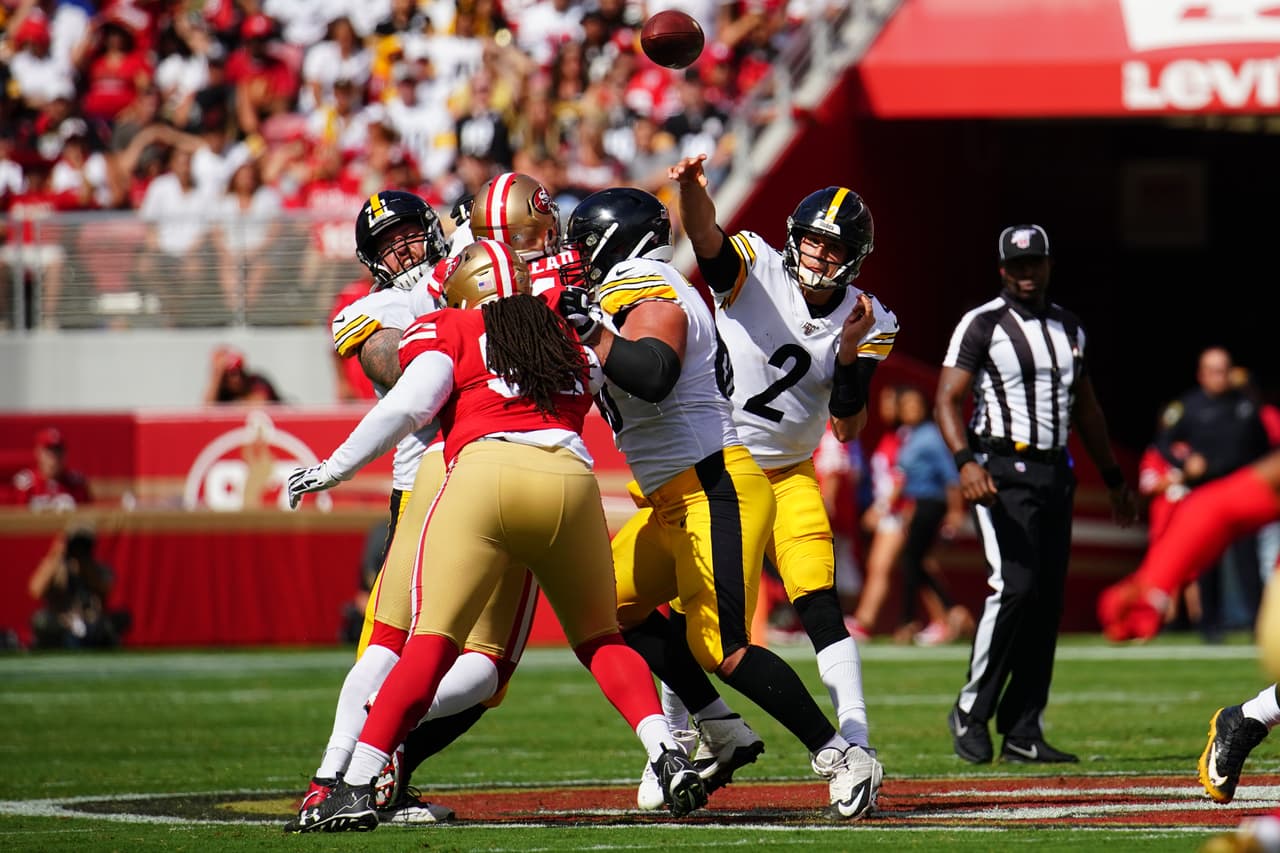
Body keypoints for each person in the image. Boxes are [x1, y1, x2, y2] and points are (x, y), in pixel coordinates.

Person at [286, 239, 708, 832]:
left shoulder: (450, 326)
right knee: (602, 639)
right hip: (570, 480)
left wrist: (333, 468)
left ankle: (354, 783)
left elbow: (406, 408)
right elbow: (600, 381)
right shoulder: (564, 336)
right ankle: (664, 751)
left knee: (428, 642)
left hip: (482, 476)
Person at [556, 186, 878, 819]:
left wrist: (589, 326)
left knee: (722, 645)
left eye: (585, 242)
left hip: (717, 484)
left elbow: (652, 371)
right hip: (676, 495)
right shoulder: (617, 294)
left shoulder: (644, 286)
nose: (577, 256)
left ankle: (843, 753)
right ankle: (720, 728)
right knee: (611, 607)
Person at [661, 157, 893, 811]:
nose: (819, 253)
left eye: (834, 245)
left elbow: (847, 425)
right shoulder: (755, 265)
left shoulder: (871, 316)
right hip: (720, 464)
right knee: (690, 607)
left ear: (854, 256)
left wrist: (847, 354)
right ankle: (678, 740)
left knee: (818, 602)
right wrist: (687, 189)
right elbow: (706, 237)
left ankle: (856, 743)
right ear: (795, 236)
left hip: (790, 472)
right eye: (814, 239)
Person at [941, 224, 1138, 765]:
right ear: (1003, 269)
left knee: (1046, 601)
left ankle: (1024, 727)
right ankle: (970, 710)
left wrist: (1115, 478)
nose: (1027, 274)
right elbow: (946, 399)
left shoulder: (1070, 327)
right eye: (1017, 266)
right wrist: (966, 463)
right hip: (1001, 468)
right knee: (1014, 587)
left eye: (1036, 264)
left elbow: (1088, 409)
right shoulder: (982, 324)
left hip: (1056, 472)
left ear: (1049, 265)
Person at [1154, 347, 1270, 641]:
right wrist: (1185, 462)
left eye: (1225, 369)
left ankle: (1258, 624)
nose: (1221, 376)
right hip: (1206, 493)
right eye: (1215, 370)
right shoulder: (1188, 406)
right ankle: (1210, 625)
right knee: (1207, 563)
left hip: (1243, 493)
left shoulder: (1246, 405)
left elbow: (1265, 448)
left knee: (1249, 562)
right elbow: (1164, 443)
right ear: (1202, 374)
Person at [892, 385, 972, 647]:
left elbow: (950, 476)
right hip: (919, 504)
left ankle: (928, 617)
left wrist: (955, 511)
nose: (910, 411)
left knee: (913, 560)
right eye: (905, 406)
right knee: (917, 562)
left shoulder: (930, 437)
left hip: (932, 504)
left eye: (915, 405)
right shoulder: (909, 437)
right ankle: (941, 615)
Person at [28, 526, 130, 649]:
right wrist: (56, 556)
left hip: (92, 621)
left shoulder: (99, 569)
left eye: (83, 546)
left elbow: (105, 589)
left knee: (122, 618)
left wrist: (85, 566)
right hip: (62, 622)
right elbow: (35, 590)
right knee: (40, 620)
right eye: (75, 545)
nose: (78, 550)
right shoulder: (56, 568)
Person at [10, 427, 92, 511]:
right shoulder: (26, 484)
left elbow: (88, 514)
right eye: (49, 451)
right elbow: (14, 516)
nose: (54, 458)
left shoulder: (76, 483)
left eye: (58, 451)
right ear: (38, 452)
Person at [203, 346, 282, 404]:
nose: (237, 377)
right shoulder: (222, 392)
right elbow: (207, 409)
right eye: (231, 373)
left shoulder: (257, 381)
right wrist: (217, 375)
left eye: (239, 371)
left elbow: (260, 403)